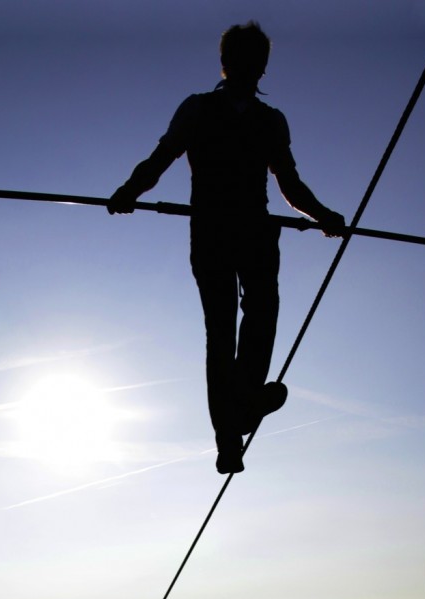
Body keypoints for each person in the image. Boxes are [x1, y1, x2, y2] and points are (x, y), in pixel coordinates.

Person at [109, 21, 345, 474]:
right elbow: (161, 158)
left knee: (261, 313)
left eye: (257, 62)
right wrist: (128, 192)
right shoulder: (198, 109)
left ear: (262, 67)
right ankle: (228, 436)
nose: (251, 69)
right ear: (227, 62)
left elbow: (290, 184)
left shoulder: (271, 120)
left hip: (254, 232)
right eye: (244, 60)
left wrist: (324, 217)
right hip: (214, 232)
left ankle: (244, 404)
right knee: (221, 331)